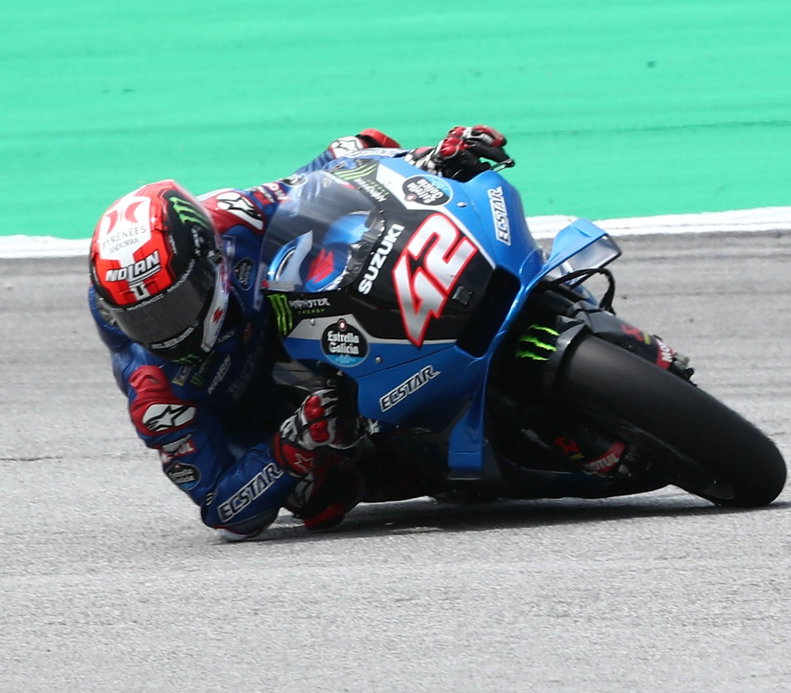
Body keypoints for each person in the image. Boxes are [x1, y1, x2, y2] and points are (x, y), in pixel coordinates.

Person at [88, 126, 513, 540]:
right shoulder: (156, 396)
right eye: (142, 319)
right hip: (262, 421)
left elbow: (325, 174)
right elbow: (221, 509)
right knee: (325, 495)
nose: (164, 333)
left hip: (295, 331)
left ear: (207, 262)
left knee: (346, 219)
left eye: (172, 307)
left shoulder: (232, 217)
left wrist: (428, 159)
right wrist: (292, 444)